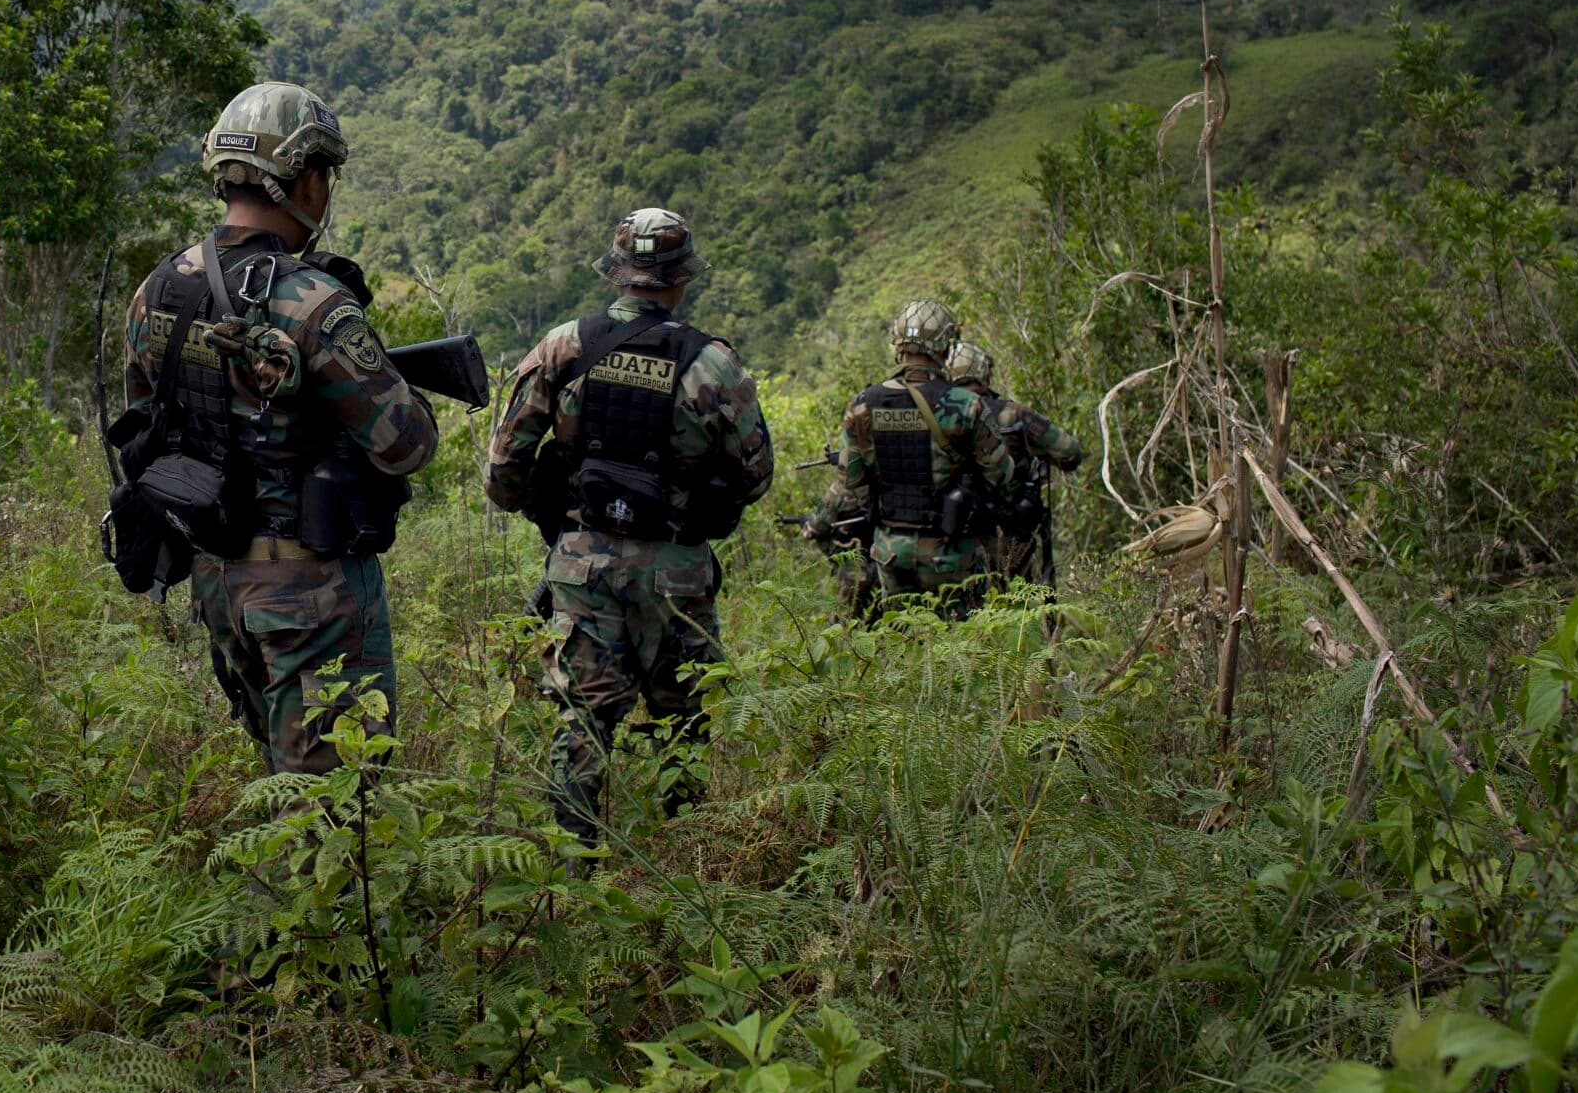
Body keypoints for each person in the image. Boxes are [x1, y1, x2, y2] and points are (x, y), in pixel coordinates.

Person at [121, 82, 438, 775]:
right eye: (326, 174)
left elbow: (146, 419)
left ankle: (275, 883)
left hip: (218, 577)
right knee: (332, 799)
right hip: (310, 587)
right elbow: (406, 444)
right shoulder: (313, 300)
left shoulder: (159, 289)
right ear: (307, 179)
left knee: (279, 778)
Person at [485, 209, 773, 844]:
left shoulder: (563, 346)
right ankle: (688, 854)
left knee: (581, 719)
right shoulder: (714, 364)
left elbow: (503, 468)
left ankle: (571, 865)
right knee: (686, 716)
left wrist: (547, 510)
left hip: (582, 563)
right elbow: (755, 476)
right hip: (677, 570)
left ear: (618, 275)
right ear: (680, 281)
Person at [807, 299, 1012, 618]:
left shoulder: (864, 404)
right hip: (953, 555)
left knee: (903, 646)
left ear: (898, 344)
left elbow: (850, 482)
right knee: (962, 652)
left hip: (891, 553)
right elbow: (1001, 477)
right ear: (946, 347)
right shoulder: (967, 406)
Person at [944, 340, 1084, 586]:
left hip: (956, 541)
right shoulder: (1013, 414)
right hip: (1012, 537)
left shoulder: (938, 416)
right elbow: (1070, 452)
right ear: (985, 374)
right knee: (1018, 612)